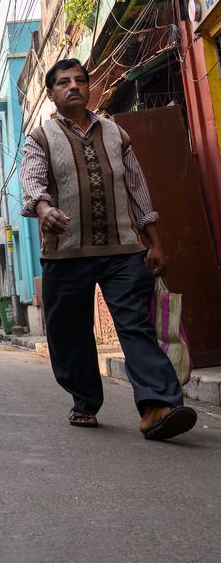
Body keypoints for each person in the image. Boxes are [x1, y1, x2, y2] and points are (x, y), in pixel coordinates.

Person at [20, 58, 196, 440]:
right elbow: (32, 182)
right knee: (71, 333)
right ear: (51, 94)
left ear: (90, 88)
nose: (74, 87)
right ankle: (84, 399)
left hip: (123, 251)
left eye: (80, 80)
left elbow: (138, 190)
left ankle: (157, 406)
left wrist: (157, 244)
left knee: (136, 327)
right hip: (66, 254)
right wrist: (44, 208)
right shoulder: (41, 138)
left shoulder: (117, 135)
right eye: (63, 82)